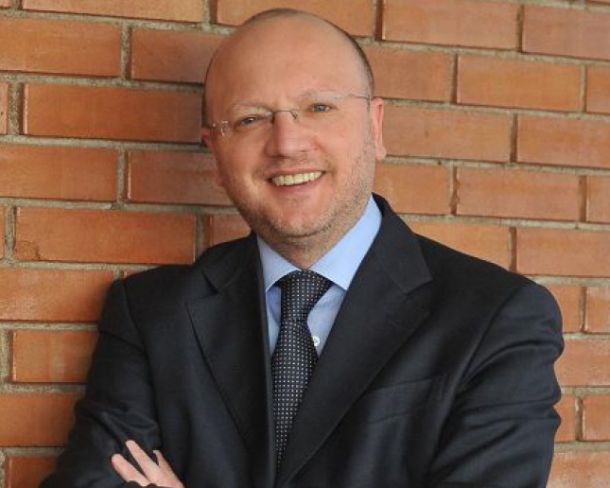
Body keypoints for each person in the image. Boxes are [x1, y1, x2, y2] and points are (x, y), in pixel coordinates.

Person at [41, 8, 563, 488]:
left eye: (318, 107)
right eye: (250, 119)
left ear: (375, 126)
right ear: (216, 153)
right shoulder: (152, 316)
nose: (287, 143)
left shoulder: (496, 320)